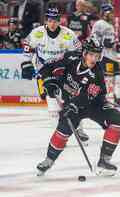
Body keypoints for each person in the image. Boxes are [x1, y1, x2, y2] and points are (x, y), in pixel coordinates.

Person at [36, 37, 120, 176]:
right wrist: (49, 82)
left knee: (118, 119)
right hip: (72, 104)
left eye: (97, 55)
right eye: (91, 54)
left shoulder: (97, 73)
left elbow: (86, 97)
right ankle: (48, 160)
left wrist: (72, 105)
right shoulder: (70, 57)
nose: (94, 59)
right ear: (84, 53)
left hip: (95, 104)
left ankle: (104, 161)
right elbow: (47, 67)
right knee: (63, 130)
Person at [20, 8, 90, 143]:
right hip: (44, 68)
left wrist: (70, 60)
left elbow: (79, 51)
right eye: (50, 20)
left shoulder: (68, 34)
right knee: (51, 100)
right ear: (46, 20)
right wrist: (26, 63)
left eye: (55, 21)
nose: (52, 23)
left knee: (72, 98)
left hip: (63, 68)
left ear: (59, 21)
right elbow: (27, 47)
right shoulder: (37, 33)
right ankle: (59, 135)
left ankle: (79, 128)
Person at [90, 3, 120, 108]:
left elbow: (113, 42)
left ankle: (118, 99)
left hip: (113, 56)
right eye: (110, 12)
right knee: (108, 79)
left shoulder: (111, 25)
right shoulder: (99, 24)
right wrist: (103, 44)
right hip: (105, 57)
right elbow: (93, 38)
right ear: (105, 13)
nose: (112, 14)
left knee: (118, 79)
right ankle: (104, 99)